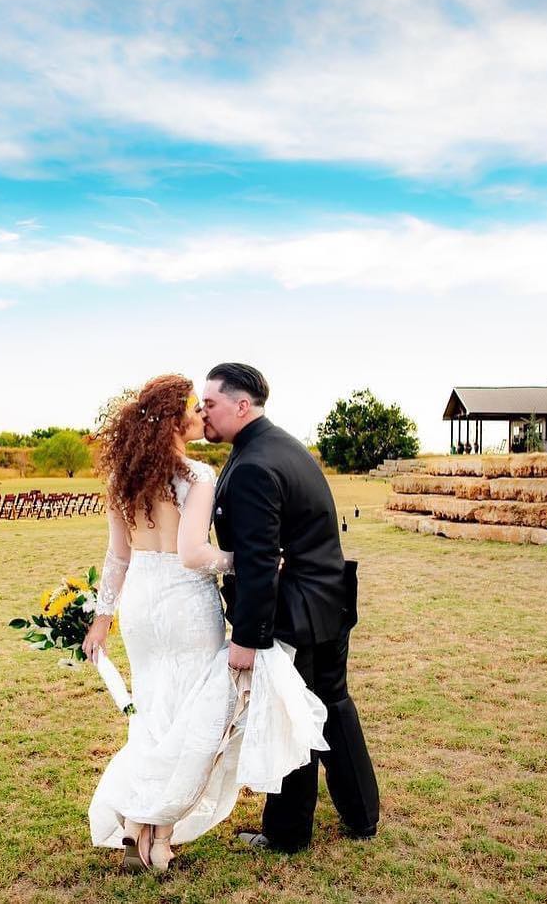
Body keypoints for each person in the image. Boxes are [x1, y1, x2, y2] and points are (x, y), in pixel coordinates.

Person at [82, 374, 329, 873]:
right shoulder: (196, 476)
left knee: (154, 716)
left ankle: (135, 827)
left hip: (142, 611)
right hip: (185, 605)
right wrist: (243, 560)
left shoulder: (122, 480)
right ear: (175, 421)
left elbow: (117, 558)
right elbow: (193, 554)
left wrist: (102, 619)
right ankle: (162, 839)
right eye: (195, 409)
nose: (201, 415)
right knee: (199, 720)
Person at [201, 362, 380, 853]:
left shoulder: (256, 464)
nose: (202, 413)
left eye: (210, 403)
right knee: (332, 707)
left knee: (292, 715)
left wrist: (247, 638)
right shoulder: (278, 445)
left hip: (297, 613)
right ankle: (362, 815)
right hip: (326, 603)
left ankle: (287, 833)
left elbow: (259, 563)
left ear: (242, 405)